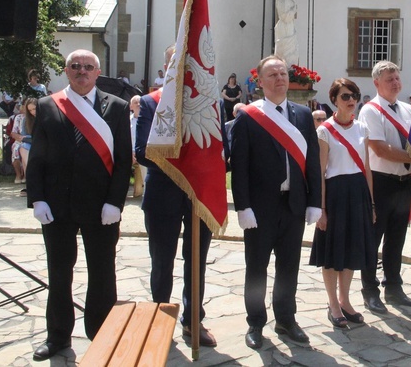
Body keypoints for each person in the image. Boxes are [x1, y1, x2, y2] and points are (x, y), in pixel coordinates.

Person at [26, 49, 132, 361]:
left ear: (98, 72)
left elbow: (124, 161)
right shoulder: (48, 105)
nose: (81, 71)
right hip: (57, 206)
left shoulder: (117, 107)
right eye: (75, 66)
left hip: (101, 207)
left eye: (88, 67)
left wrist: (116, 202)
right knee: (59, 273)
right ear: (66, 70)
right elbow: (37, 157)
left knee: (102, 273)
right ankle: (57, 337)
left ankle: (102, 334)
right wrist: (38, 198)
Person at [230, 55, 322, 349]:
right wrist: (242, 207)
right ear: (260, 81)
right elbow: (240, 166)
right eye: (272, 74)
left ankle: (286, 318)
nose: (280, 78)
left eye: (283, 73)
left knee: (288, 267)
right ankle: (255, 322)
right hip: (260, 209)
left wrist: (314, 202)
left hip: (293, 205)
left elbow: (313, 163)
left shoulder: (303, 115)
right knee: (256, 268)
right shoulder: (248, 117)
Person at [135, 46, 217, 347]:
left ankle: (193, 320)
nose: (182, 67)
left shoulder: (209, 104)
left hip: (198, 195)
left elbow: (219, 148)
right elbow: (141, 151)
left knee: (196, 261)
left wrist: (204, 163)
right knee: (162, 261)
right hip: (162, 195)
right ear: (166, 65)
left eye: (187, 61)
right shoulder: (149, 102)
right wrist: (183, 162)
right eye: (175, 62)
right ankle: (160, 316)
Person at [310, 78, 374, 328]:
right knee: (332, 252)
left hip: (358, 193)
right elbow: (321, 172)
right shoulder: (324, 130)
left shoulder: (362, 129)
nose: (351, 101)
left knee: (351, 249)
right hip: (335, 194)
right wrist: (321, 209)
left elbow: (367, 168)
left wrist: (372, 204)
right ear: (334, 100)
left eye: (354, 96)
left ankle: (345, 301)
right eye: (345, 96)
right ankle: (332, 304)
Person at [358, 60, 411, 314]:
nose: (395, 82)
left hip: (404, 183)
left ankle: (393, 286)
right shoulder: (370, 111)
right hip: (381, 183)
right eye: (389, 79)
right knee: (373, 239)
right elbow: (380, 149)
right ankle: (370, 291)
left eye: (397, 77)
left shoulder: (407, 110)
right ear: (376, 83)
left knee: (396, 239)